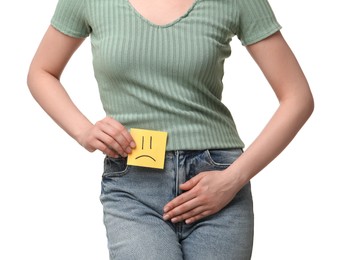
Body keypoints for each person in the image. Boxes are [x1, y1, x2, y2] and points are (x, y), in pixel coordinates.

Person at [27, 0, 314, 259]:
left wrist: (233, 179)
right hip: (133, 182)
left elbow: (298, 98)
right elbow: (42, 72)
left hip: (218, 181)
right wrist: (84, 131)